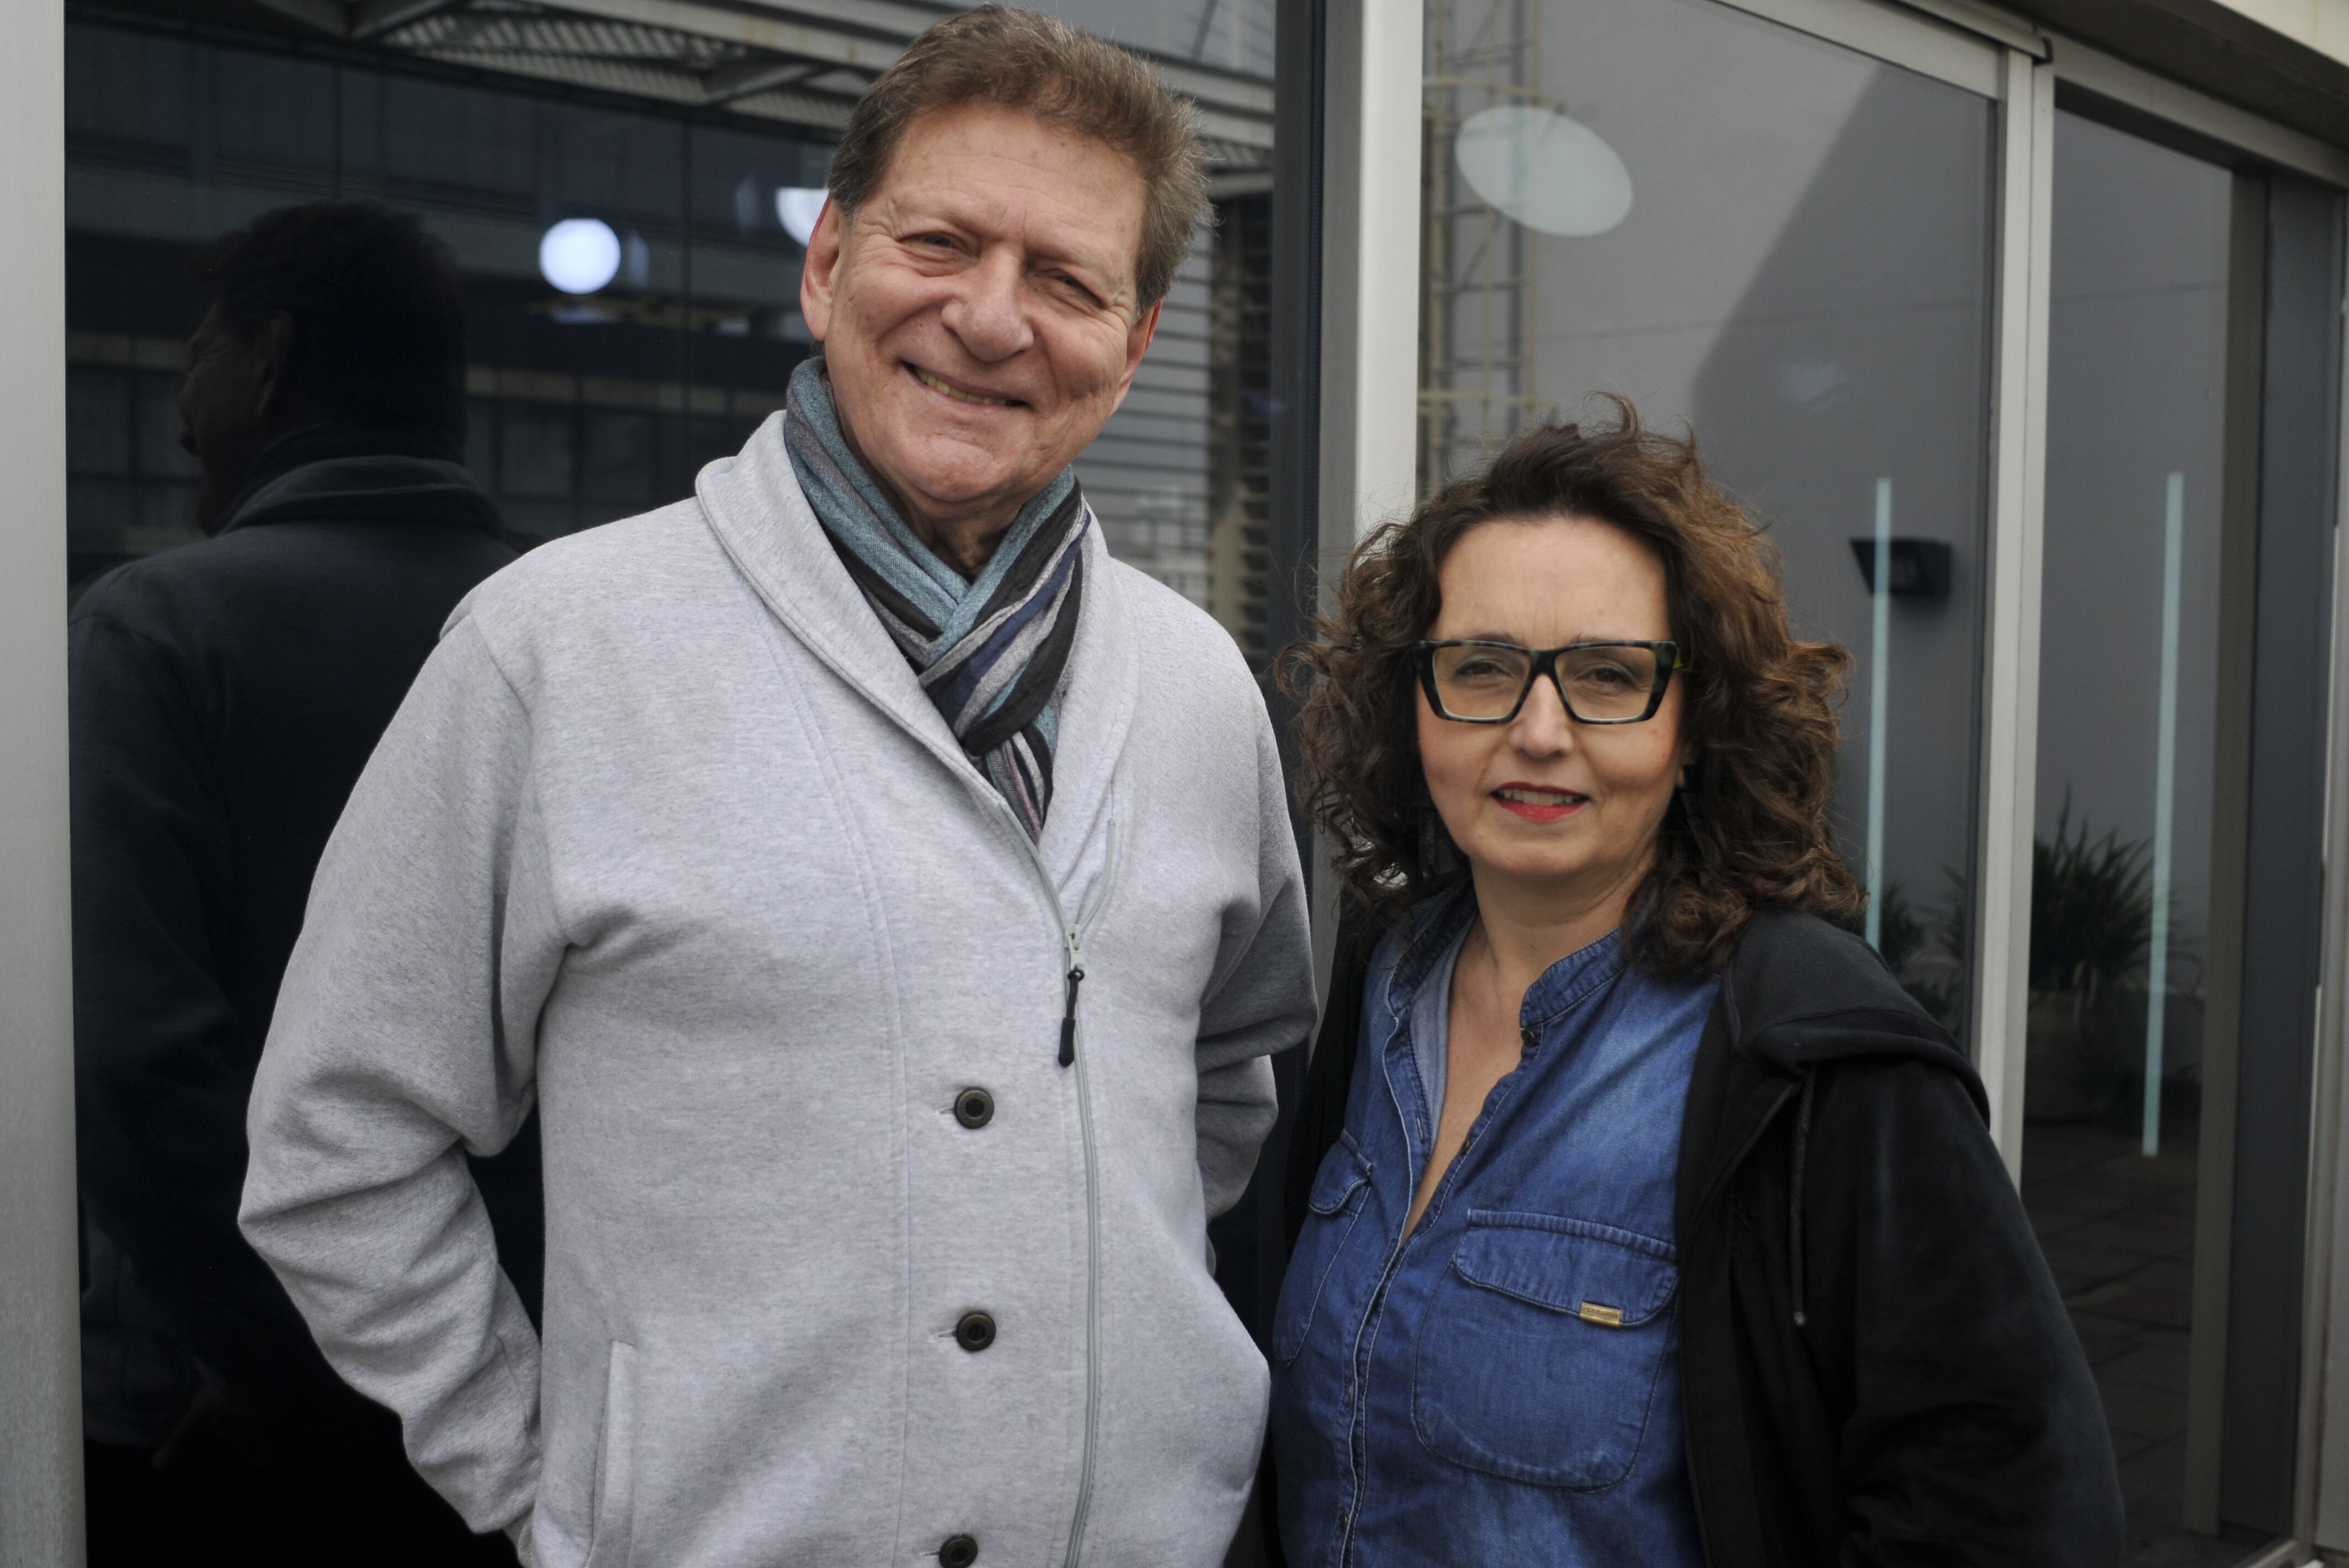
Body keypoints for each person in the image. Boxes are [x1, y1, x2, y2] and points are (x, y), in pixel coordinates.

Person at [237, 10, 1316, 1567]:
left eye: (1069, 280)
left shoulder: (1203, 689)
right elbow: (340, 1144)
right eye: (940, 241)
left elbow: (1224, 1083)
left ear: (1135, 342)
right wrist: (548, 1488)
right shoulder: (559, 649)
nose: (994, 318)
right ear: (826, 266)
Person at [1266, 412, 2122, 1566]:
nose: (1537, 731)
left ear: (1694, 722)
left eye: (1607, 675)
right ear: (1409, 702)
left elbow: (2014, 1511)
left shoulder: (1810, 1054)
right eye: (1480, 666)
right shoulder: (1383, 982)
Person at [70, 202, 529, 1565]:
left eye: (196, 353)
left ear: (268, 360)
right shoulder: (573, 640)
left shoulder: (157, 633)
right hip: (527, 1403)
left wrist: (296, 1381)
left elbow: (140, 1066)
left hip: (214, 1416)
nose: (178, 410)